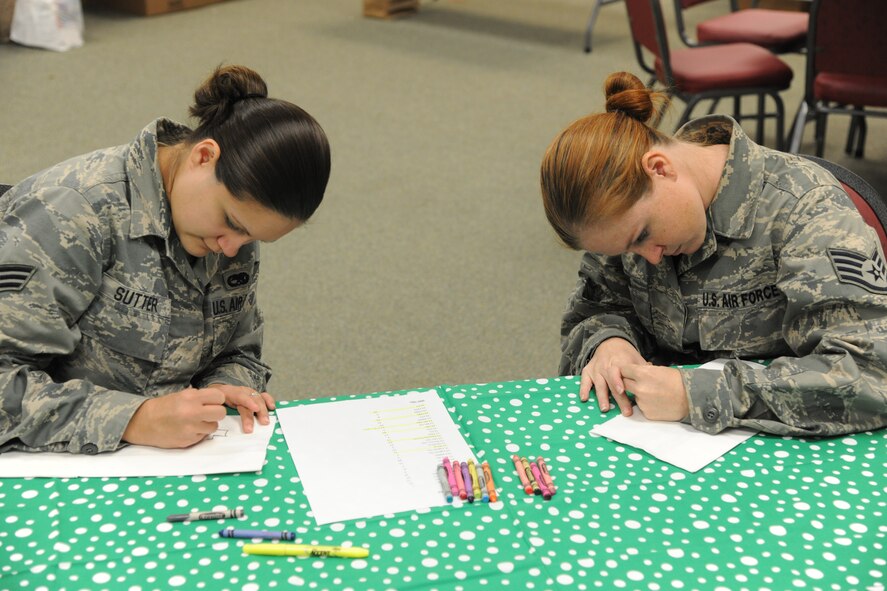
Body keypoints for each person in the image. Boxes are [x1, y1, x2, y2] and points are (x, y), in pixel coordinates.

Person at [0, 65, 330, 454]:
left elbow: (237, 348)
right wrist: (135, 419)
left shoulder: (228, 232)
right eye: (232, 223)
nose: (232, 249)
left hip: (172, 457)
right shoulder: (73, 213)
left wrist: (224, 386)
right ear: (204, 157)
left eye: (253, 238)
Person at [539, 71, 887, 437]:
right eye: (630, 249)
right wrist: (609, 344)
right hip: (658, 438)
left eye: (643, 235)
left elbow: (872, 370)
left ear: (660, 168)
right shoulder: (624, 217)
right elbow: (596, 308)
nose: (650, 257)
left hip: (783, 451)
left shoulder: (804, 210)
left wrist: (701, 395)